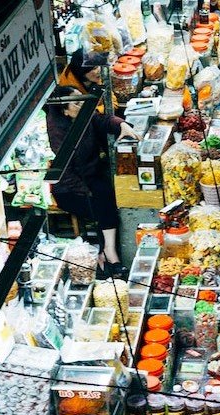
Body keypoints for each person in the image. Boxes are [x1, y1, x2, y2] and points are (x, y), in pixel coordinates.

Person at [44, 93, 138, 278]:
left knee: (105, 196)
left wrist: (122, 125)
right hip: (69, 189)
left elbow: (104, 120)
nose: (84, 105)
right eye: (77, 103)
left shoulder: (85, 116)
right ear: (65, 112)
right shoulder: (58, 135)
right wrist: (87, 192)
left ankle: (106, 253)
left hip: (91, 178)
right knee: (102, 204)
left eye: (83, 100)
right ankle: (109, 254)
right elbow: (66, 174)